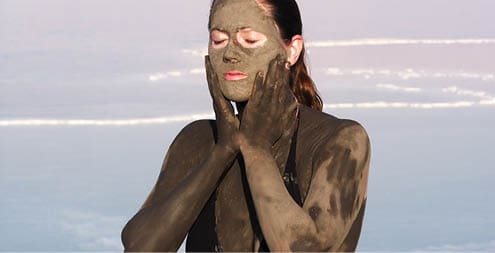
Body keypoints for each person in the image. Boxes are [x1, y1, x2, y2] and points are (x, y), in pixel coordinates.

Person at [121, 0, 371, 252]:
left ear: (292, 50)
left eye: (250, 40)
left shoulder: (338, 141)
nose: (230, 53)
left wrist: (255, 149)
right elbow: (140, 247)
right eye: (218, 40)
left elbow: (307, 248)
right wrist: (221, 152)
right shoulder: (196, 140)